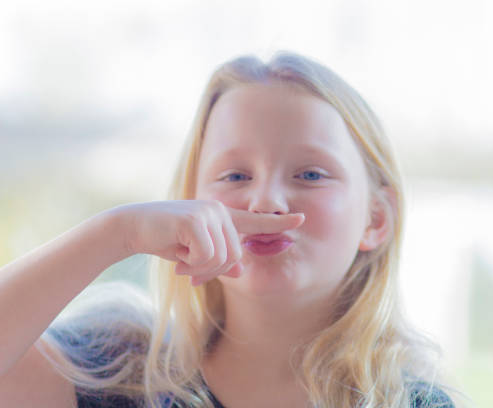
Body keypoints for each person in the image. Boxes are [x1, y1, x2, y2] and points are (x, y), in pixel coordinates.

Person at [0, 51, 457, 407]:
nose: (266, 201)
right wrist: (116, 233)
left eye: (311, 175)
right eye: (235, 176)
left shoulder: (414, 403)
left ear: (376, 219)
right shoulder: (111, 373)